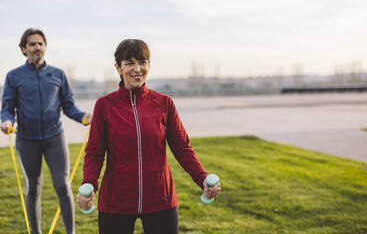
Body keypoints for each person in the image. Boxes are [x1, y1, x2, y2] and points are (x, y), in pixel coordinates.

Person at [76, 39, 221, 234]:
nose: (137, 69)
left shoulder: (164, 103)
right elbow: (94, 152)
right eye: (129, 63)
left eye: (142, 62)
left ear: (149, 65)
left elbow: (182, 147)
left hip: (160, 199)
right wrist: (89, 184)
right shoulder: (104, 106)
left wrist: (202, 177)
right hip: (116, 200)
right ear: (118, 68)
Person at [1, 28, 92, 234]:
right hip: (26, 140)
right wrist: (6, 122)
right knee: (33, 189)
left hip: (54, 139)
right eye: (32, 44)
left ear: (45, 47)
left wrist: (84, 118)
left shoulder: (58, 74)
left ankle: (71, 232)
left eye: (40, 43)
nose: (37, 47)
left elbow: (69, 106)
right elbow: (7, 108)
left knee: (63, 186)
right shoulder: (13, 76)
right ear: (24, 49)